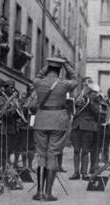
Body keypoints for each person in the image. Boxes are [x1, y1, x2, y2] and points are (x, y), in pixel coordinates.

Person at [32, 57, 78, 201]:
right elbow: (75, 78)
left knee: (41, 155)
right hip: (58, 121)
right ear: (60, 71)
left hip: (41, 120)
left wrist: (48, 64)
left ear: (48, 69)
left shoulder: (38, 83)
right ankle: (48, 193)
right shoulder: (64, 84)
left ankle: (39, 192)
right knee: (52, 155)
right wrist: (65, 64)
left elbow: (39, 75)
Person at [69, 81, 100, 181]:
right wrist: (75, 103)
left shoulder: (95, 101)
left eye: (93, 92)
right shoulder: (79, 98)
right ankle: (76, 172)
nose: (86, 90)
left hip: (88, 127)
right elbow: (72, 110)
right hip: (76, 126)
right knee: (76, 150)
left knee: (86, 151)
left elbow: (97, 113)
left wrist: (90, 101)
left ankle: (84, 173)